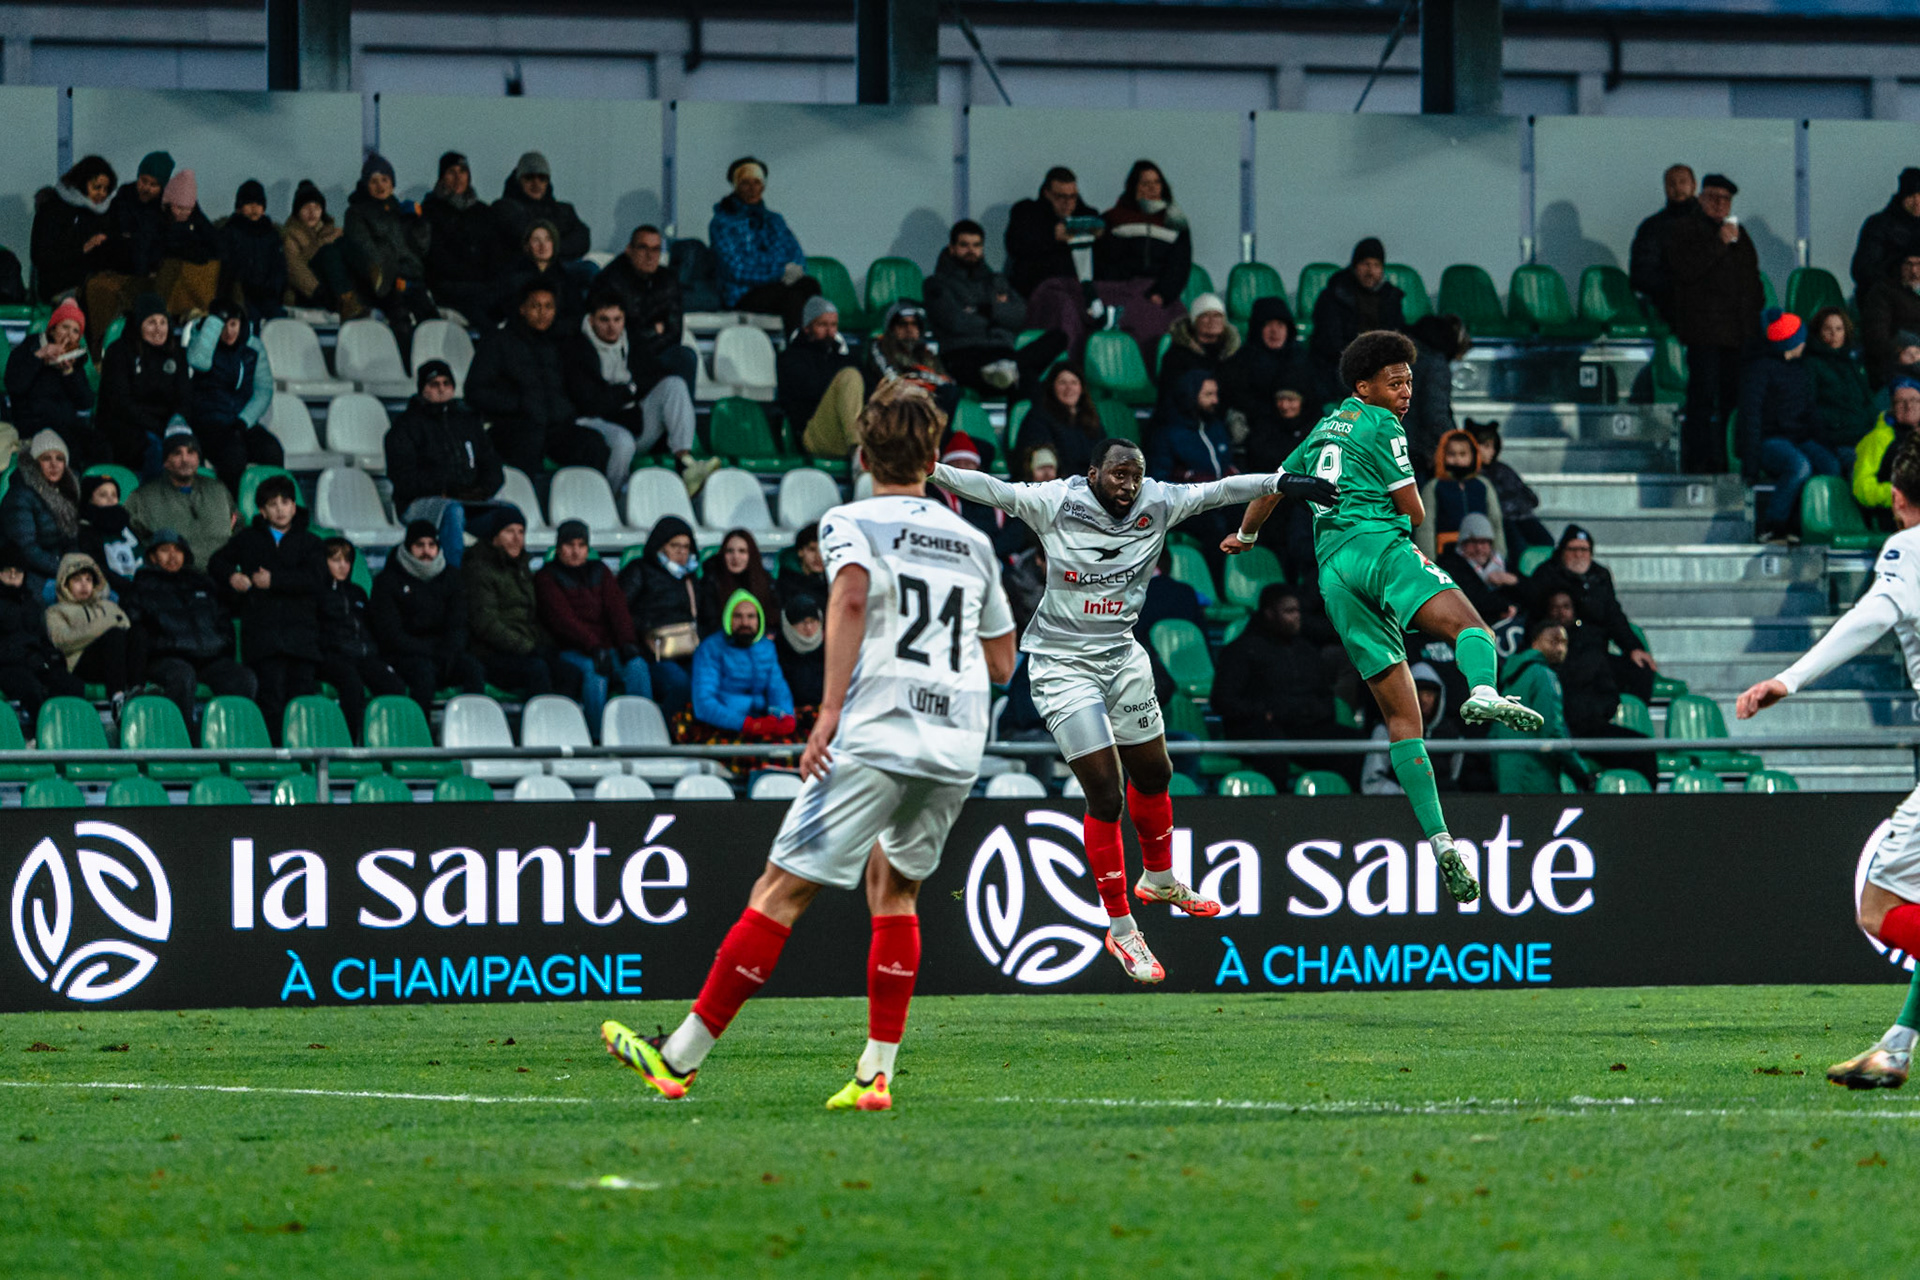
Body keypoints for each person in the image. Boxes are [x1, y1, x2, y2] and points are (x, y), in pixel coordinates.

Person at [600, 378, 1019, 1109]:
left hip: (878, 734)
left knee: (780, 890)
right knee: (897, 892)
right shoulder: (974, 541)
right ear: (933, 456)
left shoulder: (850, 520)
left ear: (862, 451)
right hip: (955, 742)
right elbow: (1002, 662)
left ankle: (679, 1059)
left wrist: (826, 712)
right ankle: (875, 1071)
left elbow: (850, 597)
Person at [933, 431, 1333, 982]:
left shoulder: (1158, 501)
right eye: (1118, 473)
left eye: (1136, 474)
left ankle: (1160, 879)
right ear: (1093, 473)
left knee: (1156, 772)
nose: (1129, 484)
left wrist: (1282, 483)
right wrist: (927, 468)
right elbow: (990, 488)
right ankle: (1123, 932)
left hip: (1122, 656)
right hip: (1061, 662)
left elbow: (1220, 490)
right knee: (1105, 789)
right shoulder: (1054, 501)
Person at [1231, 329, 1547, 907]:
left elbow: (1273, 487)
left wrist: (1247, 534)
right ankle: (1481, 689)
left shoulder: (1321, 429)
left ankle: (1441, 839)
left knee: (1403, 722)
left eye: (1408, 381)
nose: (1405, 391)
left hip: (1334, 574)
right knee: (1471, 628)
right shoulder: (1383, 425)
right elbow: (1415, 507)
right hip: (1379, 547)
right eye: (1396, 382)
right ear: (1364, 386)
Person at [1738, 440, 1920, 1089]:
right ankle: (1895, 1049)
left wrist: (1787, 680)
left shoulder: (1907, 548)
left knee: (1879, 908)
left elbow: (1868, 616)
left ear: (1897, 499)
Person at [208, 474, 326, 742]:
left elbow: (316, 580)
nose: (280, 509)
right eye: (272, 504)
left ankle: (305, 763)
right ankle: (274, 762)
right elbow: (216, 562)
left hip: (302, 639)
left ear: (294, 507)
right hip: (263, 637)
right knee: (270, 701)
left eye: (286, 502)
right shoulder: (248, 539)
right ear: (262, 510)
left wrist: (274, 581)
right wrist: (232, 577)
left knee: (302, 704)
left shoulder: (312, 543)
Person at [564, 291, 716, 495]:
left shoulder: (632, 341)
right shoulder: (576, 347)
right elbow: (591, 402)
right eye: (604, 320)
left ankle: (685, 463)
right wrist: (630, 390)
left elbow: (655, 375)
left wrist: (626, 391)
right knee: (623, 441)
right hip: (593, 423)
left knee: (674, 385)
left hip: (633, 419)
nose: (612, 327)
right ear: (591, 321)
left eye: (617, 319)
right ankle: (609, 498)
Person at [1666, 173, 1765, 473]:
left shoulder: (1739, 234)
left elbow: (1751, 278)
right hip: (1704, 334)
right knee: (1703, 400)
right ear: (1701, 198)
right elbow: (1685, 271)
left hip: (1738, 335)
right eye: (1714, 198)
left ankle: (1726, 459)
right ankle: (1699, 460)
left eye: (1726, 199)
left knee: (1732, 402)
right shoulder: (1684, 229)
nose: (1720, 204)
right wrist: (1718, 244)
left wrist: (1752, 314)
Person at [465, 277, 611, 478]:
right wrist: (518, 404)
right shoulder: (498, 342)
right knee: (528, 441)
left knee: (593, 444)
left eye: (549, 306)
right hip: (516, 426)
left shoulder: (560, 343)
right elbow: (474, 391)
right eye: (536, 306)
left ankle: (584, 503)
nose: (543, 313)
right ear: (522, 309)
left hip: (557, 427)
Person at [1211, 583, 1350, 789]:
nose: (1296, 617)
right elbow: (1222, 700)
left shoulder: (1307, 652)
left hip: (1303, 727)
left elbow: (1325, 697)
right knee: (1273, 748)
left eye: (1297, 611)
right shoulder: (1241, 651)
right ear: (1269, 613)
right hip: (1258, 729)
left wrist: (1311, 712)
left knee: (1350, 744)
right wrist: (1264, 712)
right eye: (1288, 611)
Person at [127, 527, 256, 731]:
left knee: (243, 679)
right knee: (183, 677)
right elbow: (135, 630)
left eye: (177, 550)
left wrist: (223, 644)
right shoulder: (142, 586)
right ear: (152, 556)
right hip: (166, 658)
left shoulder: (203, 584)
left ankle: (229, 739)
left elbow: (223, 620)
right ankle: (183, 741)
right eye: (164, 550)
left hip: (209, 658)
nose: (172, 556)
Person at [383, 358, 506, 567]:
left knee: (508, 516)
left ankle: (499, 580)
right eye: (434, 384)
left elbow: (492, 465)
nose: (441, 389)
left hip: (467, 500)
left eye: (446, 383)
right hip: (418, 503)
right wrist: (444, 489)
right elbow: (403, 477)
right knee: (452, 511)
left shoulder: (469, 422)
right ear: (423, 389)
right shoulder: (405, 426)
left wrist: (482, 490)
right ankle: (453, 578)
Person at [1522, 523, 1657, 711]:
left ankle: (1631, 717)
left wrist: (1633, 647)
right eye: (1573, 549)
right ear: (1562, 551)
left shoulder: (1600, 576)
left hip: (1597, 652)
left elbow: (1614, 616)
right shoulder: (1546, 574)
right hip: (1565, 655)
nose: (1579, 555)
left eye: (1584, 550)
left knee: (1640, 671)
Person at [924, 219, 1065, 396]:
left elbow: (1020, 315)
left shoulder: (997, 280)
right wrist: (998, 312)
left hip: (1002, 353)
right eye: (964, 245)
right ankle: (1010, 371)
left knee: (1058, 337)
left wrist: (983, 310)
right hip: (965, 355)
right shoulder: (936, 284)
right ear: (952, 248)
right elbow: (955, 322)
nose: (971, 251)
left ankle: (1009, 369)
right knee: (1028, 382)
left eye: (976, 245)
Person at [534, 519, 651, 728]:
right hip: (569, 649)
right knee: (594, 670)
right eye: (570, 545)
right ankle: (596, 737)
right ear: (559, 548)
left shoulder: (600, 571)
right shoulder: (547, 577)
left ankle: (644, 729)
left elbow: (618, 610)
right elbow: (563, 621)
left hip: (606, 647)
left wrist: (627, 644)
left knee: (637, 666)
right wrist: (593, 646)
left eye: (581, 545)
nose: (575, 551)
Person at [370, 519, 487, 717]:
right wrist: (429, 651)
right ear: (408, 547)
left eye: (431, 545)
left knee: (473, 669)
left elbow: (458, 622)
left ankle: (474, 728)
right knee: (423, 674)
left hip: (443, 653)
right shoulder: (388, 581)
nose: (427, 551)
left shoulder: (451, 577)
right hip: (406, 655)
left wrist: (448, 650)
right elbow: (390, 633)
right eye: (419, 545)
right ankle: (419, 735)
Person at [1737, 308, 1831, 537]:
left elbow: (1810, 412)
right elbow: (1751, 416)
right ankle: (1774, 524)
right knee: (1799, 466)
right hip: (1769, 441)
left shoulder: (1800, 370)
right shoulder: (1760, 370)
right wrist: (1750, 465)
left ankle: (1806, 524)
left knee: (1831, 466)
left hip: (1798, 438)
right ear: (1792, 342)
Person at [462, 505, 566, 698]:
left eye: (521, 532)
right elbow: (486, 624)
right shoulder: (478, 569)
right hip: (490, 654)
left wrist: (546, 645)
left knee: (569, 673)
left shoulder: (522, 568)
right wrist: (527, 648)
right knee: (537, 669)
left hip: (522, 648)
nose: (517, 539)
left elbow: (533, 615)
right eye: (509, 531)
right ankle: (539, 725)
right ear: (494, 536)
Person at [707, 157, 819, 331]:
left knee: (809, 285)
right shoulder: (722, 223)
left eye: (757, 182)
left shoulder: (775, 220)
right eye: (745, 183)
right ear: (736, 186)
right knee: (792, 298)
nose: (752, 189)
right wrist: (779, 272)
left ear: (763, 186)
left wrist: (792, 271)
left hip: (779, 286)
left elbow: (795, 254)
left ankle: (812, 346)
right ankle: (797, 350)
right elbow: (736, 269)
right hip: (743, 294)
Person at [183, 299, 282, 494]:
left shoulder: (253, 347)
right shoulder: (202, 341)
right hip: (208, 421)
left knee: (272, 450)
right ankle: (231, 512)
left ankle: (273, 506)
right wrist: (211, 327)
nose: (229, 332)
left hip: (240, 420)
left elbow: (263, 389)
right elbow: (199, 362)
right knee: (233, 455)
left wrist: (244, 420)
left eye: (233, 324)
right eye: (222, 325)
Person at [1092, 159, 1193, 347]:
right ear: (1134, 187)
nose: (1152, 189)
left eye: (1156, 183)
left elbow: (1180, 264)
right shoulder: (1113, 218)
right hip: (1121, 289)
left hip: (1158, 290)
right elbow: (1103, 258)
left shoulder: (1175, 220)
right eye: (1145, 183)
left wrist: (1162, 293)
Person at [344, 152, 435, 354]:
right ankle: (408, 369)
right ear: (366, 185)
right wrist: (393, 277)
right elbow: (365, 252)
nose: (380, 186)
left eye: (384, 180)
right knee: (402, 322)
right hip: (380, 284)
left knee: (433, 324)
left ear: (392, 183)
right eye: (374, 181)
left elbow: (420, 249)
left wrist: (419, 223)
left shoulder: (400, 211)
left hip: (412, 282)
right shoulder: (356, 214)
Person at [314, 537, 404, 743]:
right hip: (331, 656)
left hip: (362, 655)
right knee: (352, 685)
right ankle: (349, 743)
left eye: (347, 560)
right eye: (336, 560)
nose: (343, 565)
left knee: (394, 686)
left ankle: (388, 743)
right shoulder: (317, 593)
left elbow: (370, 629)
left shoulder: (358, 593)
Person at [1491, 617, 1594, 795]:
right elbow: (1551, 732)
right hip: (1535, 779)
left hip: (1508, 778)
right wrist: (1581, 772)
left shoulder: (1511, 679)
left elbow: (1494, 733)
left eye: (1564, 642)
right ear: (1535, 642)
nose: (1560, 648)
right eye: (1553, 641)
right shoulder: (1544, 676)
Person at [592, 224, 699, 392]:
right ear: (629, 250)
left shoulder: (668, 280)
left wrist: (647, 335)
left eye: (656, 249)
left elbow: (674, 332)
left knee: (684, 357)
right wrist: (655, 329)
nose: (650, 256)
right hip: (622, 355)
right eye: (643, 248)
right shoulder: (610, 279)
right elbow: (613, 331)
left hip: (655, 352)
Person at [1218, 295, 1315, 473]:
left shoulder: (1302, 357)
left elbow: (1315, 397)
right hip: (1260, 427)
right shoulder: (1242, 361)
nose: (1274, 331)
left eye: (1280, 325)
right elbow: (1236, 396)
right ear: (1258, 329)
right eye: (1268, 325)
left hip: (1299, 425)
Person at [618, 513, 701, 715]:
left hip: (688, 651)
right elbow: (619, 610)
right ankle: (665, 734)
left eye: (686, 547)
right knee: (680, 685)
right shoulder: (639, 570)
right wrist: (647, 629)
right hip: (652, 653)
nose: (681, 552)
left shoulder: (689, 579)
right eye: (675, 546)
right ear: (660, 546)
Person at [1309, 238, 1407, 408]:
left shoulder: (1391, 298)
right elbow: (1330, 343)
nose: (1371, 271)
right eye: (1366, 264)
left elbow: (1398, 336)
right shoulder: (1333, 296)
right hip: (1342, 366)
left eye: (1376, 265)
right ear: (1355, 266)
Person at [96, 292, 188, 472]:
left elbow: (184, 396)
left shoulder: (176, 352)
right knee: (156, 448)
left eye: (162, 322)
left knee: (187, 447)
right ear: (139, 325)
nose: (159, 329)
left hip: (165, 424)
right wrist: (158, 428)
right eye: (151, 322)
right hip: (127, 425)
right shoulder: (119, 352)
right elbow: (120, 403)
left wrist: (176, 422)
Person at [126, 428, 238, 573]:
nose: (185, 459)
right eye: (177, 453)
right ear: (166, 462)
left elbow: (238, 527)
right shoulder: (143, 497)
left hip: (224, 576)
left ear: (198, 459)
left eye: (191, 452)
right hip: (175, 580)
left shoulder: (218, 489)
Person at [688, 591, 794, 741]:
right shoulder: (710, 648)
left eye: (751, 616)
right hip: (723, 725)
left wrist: (786, 716)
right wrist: (745, 724)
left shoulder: (766, 648)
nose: (745, 622)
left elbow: (778, 690)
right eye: (738, 616)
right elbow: (704, 703)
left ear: (759, 620)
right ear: (728, 618)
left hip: (761, 720)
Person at [5, 297, 98, 463]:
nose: (69, 335)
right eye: (65, 327)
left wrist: (68, 372)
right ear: (53, 329)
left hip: (66, 426)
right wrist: (39, 357)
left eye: (75, 331)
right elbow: (15, 385)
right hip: (34, 426)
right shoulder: (29, 348)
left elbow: (85, 402)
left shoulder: (75, 361)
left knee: (99, 445)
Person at [0, 544, 82, 722]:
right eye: (7, 570)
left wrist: (51, 657)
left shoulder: (32, 603)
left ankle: (71, 735)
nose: (13, 575)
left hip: (33, 662)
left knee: (70, 685)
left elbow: (42, 638)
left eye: (18, 570)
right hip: (7, 666)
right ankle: (42, 736)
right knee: (32, 688)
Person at [777, 295, 864, 461]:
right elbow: (811, 391)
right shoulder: (790, 358)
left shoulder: (845, 359)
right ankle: (858, 454)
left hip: (845, 431)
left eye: (833, 325)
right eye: (822, 325)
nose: (830, 332)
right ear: (807, 327)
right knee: (850, 377)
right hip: (812, 435)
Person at [1361, 661, 1466, 796]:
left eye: (1429, 694)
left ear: (1439, 697)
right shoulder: (1386, 731)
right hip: (1394, 808)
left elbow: (1454, 775)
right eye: (1418, 693)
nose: (1424, 700)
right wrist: (1403, 793)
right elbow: (1371, 783)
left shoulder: (1452, 735)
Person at [0, 430, 83, 597]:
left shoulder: (66, 493)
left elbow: (71, 540)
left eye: (59, 459)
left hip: (57, 567)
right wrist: (64, 570)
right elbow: (26, 549)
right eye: (46, 458)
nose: (54, 465)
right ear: (34, 463)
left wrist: (78, 566)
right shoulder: (20, 495)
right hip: (29, 575)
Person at [421, 151, 499, 324]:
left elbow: (494, 252)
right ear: (442, 177)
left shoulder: (483, 212)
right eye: (451, 172)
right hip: (448, 288)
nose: (458, 178)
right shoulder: (431, 211)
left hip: (484, 286)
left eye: (462, 172)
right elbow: (435, 257)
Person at [44, 552, 133, 704]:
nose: (84, 585)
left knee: (138, 634)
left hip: (113, 662)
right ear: (65, 584)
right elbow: (62, 640)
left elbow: (127, 625)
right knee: (114, 634)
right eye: (77, 580)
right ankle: (117, 697)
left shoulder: (109, 605)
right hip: (81, 664)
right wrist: (104, 625)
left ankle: (137, 688)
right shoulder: (56, 611)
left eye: (89, 580)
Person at [30, 155, 117, 305]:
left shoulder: (107, 213)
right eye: (97, 187)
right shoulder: (53, 209)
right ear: (82, 184)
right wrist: (82, 250)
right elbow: (41, 256)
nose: (102, 194)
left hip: (94, 282)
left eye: (106, 189)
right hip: (59, 284)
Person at [929, 434, 1027, 561]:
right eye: (956, 464)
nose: (962, 469)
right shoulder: (938, 498)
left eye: (968, 464)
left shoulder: (996, 497)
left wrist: (990, 553)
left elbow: (1016, 534)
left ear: (978, 468)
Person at [492, 152, 591, 274]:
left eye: (542, 178)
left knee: (590, 270)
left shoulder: (563, 210)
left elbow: (582, 239)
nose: (536, 183)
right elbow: (524, 235)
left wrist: (551, 249)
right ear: (519, 180)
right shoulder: (504, 208)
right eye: (529, 177)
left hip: (561, 267)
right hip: (521, 270)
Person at [1415, 427, 1504, 559]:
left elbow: (1495, 522)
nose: (1457, 459)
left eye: (1463, 454)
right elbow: (1426, 528)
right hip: (1445, 555)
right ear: (1442, 455)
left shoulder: (1483, 485)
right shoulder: (1433, 487)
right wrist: (1429, 562)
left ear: (1473, 456)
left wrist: (1499, 557)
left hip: (1481, 555)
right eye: (1451, 454)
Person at [1628, 164, 1699, 324]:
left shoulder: (1713, 224)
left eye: (1682, 182)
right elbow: (1641, 275)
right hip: (1673, 305)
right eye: (1671, 183)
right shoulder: (1652, 228)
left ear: (1694, 185)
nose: (1677, 188)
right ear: (1665, 187)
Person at [1807, 306, 1876, 464]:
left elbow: (1868, 400)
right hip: (1838, 440)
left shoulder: (1853, 362)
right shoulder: (1811, 364)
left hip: (1865, 434)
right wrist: (1836, 424)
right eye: (1827, 329)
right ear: (1818, 332)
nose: (1834, 334)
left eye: (1839, 329)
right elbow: (1810, 406)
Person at [1467, 421, 1552, 550]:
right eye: (1486, 446)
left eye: (1493, 447)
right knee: (1517, 546)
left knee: (1546, 543)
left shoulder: (1503, 469)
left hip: (1522, 518)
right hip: (1500, 522)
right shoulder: (1470, 475)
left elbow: (1531, 497)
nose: (1492, 451)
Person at [1013, 361, 1103, 481]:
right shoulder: (1038, 416)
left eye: (1074, 383)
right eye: (1062, 383)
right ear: (1052, 387)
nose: (1069, 388)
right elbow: (1039, 459)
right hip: (1057, 488)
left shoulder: (1090, 417)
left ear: (1081, 388)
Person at [282, 180, 361, 318]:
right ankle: (346, 299)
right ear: (297, 211)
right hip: (309, 293)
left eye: (316, 207)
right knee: (328, 252)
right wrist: (319, 293)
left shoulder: (334, 232)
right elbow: (295, 269)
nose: (312, 212)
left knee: (346, 244)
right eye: (306, 208)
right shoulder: (291, 235)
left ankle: (360, 291)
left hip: (334, 289)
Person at [866, 301, 959, 416]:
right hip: (893, 406)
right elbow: (892, 381)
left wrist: (920, 375)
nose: (909, 329)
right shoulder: (880, 346)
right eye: (902, 324)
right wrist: (919, 377)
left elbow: (947, 382)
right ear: (892, 328)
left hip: (925, 403)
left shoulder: (926, 354)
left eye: (914, 324)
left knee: (949, 392)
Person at [1405, 314, 1469, 480]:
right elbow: (1435, 414)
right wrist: (1457, 443)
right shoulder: (1435, 365)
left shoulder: (1401, 357)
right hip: (1415, 452)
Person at [1436, 512, 1521, 633]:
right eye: (1473, 542)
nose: (1479, 548)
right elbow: (1472, 597)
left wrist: (1514, 581)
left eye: (1484, 542)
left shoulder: (1501, 563)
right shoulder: (1450, 564)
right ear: (1462, 543)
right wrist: (1504, 607)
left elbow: (1532, 593)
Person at [1147, 370, 1234, 487]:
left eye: (1216, 394)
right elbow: (1160, 480)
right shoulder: (1168, 433)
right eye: (1208, 394)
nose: (1215, 400)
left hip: (1223, 500)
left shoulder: (1215, 427)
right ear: (1191, 395)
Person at [154, 168, 221, 320]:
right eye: (179, 208)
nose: (183, 213)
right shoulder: (159, 219)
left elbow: (216, 243)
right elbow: (161, 246)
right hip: (165, 277)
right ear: (169, 203)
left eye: (188, 209)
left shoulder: (197, 218)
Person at [215, 179, 286, 320]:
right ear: (239, 207)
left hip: (268, 296)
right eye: (249, 203)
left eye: (258, 204)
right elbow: (228, 270)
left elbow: (279, 268)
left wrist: (274, 290)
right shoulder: (230, 232)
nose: (254, 207)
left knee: (279, 320)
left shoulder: (271, 234)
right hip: (242, 297)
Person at [1156, 293, 1239, 410]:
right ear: (1194, 320)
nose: (1212, 321)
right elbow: (1171, 395)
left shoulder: (1233, 354)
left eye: (1217, 315)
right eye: (1205, 315)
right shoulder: (1177, 355)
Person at [497, 220, 583, 331]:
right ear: (527, 245)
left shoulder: (566, 279)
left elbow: (575, 314)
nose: (542, 245)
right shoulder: (513, 277)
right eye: (536, 240)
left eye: (548, 239)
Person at [1850, 167, 1920, 303]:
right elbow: (1863, 270)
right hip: (1883, 301)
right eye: (1912, 196)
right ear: (1903, 197)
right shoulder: (1879, 225)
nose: (1917, 201)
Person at [1854, 378, 1920, 517]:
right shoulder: (1877, 439)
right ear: (1891, 407)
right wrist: (1901, 494)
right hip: (1895, 516)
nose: (1909, 406)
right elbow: (1861, 488)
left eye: (1915, 400)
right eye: (1901, 401)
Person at [698, 527, 778, 637]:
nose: (736, 557)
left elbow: (774, 620)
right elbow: (708, 624)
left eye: (742, 551)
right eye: (730, 551)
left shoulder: (766, 581)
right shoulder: (710, 582)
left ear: (751, 554)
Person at [1861, 252, 1920, 388]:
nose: (1914, 271)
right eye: (1909, 264)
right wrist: (1898, 353)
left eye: (1919, 264)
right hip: (1898, 360)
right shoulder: (1883, 292)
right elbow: (1875, 336)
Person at [77, 473, 139, 594]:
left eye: (114, 495)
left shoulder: (127, 526)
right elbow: (96, 567)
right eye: (103, 495)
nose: (110, 499)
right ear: (90, 500)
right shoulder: (85, 531)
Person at [773, 593, 824, 715]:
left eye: (813, 621)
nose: (809, 628)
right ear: (789, 624)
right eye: (802, 622)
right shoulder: (777, 649)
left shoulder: (830, 647)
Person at [777, 522, 827, 611]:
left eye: (823, 550)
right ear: (800, 551)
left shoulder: (832, 580)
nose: (819, 557)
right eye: (812, 549)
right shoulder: (786, 585)